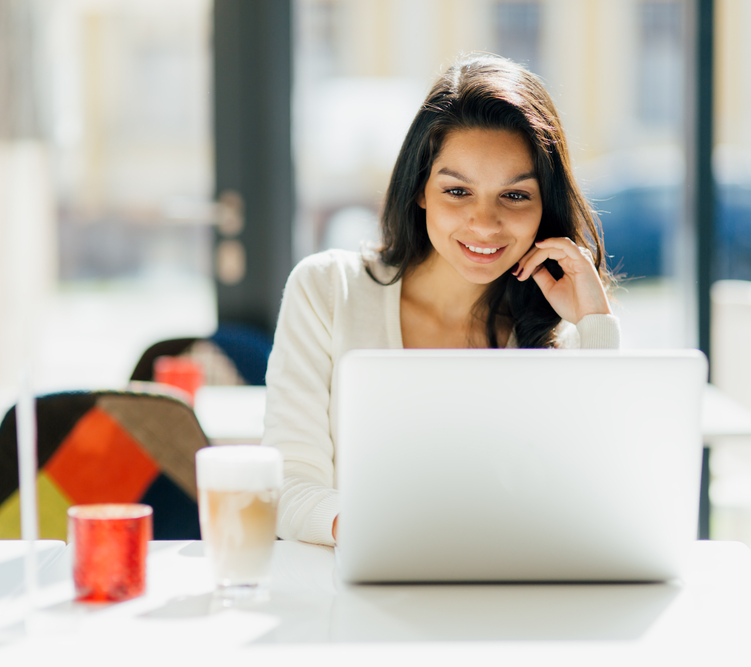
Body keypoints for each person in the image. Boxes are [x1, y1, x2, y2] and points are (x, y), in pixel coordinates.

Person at [262, 53, 620, 547]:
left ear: (545, 206)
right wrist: (390, 536)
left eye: (515, 196)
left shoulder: (556, 328)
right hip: (363, 592)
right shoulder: (327, 290)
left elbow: (604, 502)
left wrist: (594, 324)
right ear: (421, 191)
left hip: (511, 595)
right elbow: (289, 487)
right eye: (457, 191)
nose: (484, 223)